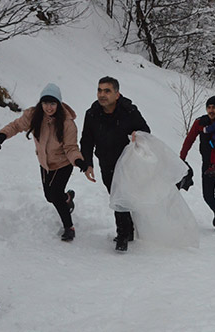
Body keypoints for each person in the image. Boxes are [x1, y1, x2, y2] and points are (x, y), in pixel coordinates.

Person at [0, 83, 85, 242]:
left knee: (55, 195)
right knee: (49, 196)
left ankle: (69, 227)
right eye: (45, 103)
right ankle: (67, 199)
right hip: (45, 163)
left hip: (63, 164)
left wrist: (78, 161)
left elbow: (71, 147)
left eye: (52, 103)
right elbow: (16, 126)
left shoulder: (67, 124)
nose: (48, 107)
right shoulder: (34, 115)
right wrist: (3, 135)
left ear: (59, 103)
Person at [79, 76, 150, 251]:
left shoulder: (129, 111)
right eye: (99, 90)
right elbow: (86, 140)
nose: (102, 94)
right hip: (106, 161)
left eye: (107, 91)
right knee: (116, 194)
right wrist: (87, 163)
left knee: (120, 196)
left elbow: (145, 131)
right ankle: (128, 229)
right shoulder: (92, 113)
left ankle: (123, 234)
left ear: (117, 94)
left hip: (128, 162)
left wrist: (136, 135)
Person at [180, 96, 215, 233]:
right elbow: (189, 140)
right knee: (207, 195)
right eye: (209, 107)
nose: (211, 110)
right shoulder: (200, 122)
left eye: (214, 107)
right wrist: (182, 158)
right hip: (208, 164)